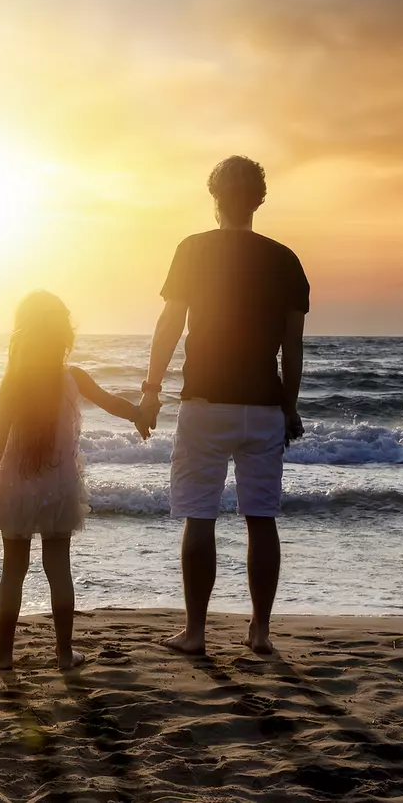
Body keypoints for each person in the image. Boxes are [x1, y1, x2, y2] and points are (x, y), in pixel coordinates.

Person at [139, 156, 310, 656]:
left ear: (215, 200)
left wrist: (150, 391)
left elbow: (170, 324)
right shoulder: (285, 260)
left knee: (200, 517)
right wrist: (290, 406)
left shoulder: (193, 249)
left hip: (205, 402)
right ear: (258, 199)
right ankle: (259, 631)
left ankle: (195, 633)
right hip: (262, 405)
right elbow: (293, 346)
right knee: (261, 518)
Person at [0, 291, 150, 671]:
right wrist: (139, 414)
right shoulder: (73, 378)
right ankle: (64, 653)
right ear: (62, 335)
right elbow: (111, 402)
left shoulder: (14, 381)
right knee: (59, 570)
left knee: (13, 571)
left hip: (17, 487)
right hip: (60, 487)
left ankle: (5, 654)